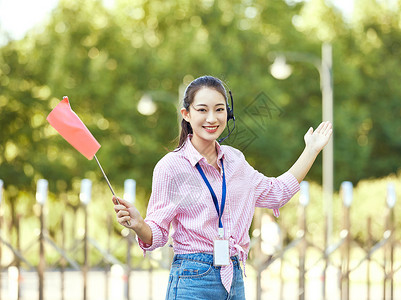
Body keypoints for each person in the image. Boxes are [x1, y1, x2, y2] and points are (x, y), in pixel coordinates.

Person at [113, 75, 332, 299]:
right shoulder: (171, 167)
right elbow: (157, 233)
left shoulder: (236, 161)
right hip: (193, 278)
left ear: (228, 113)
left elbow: (277, 193)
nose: (212, 118)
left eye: (219, 109)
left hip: (234, 277)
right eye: (202, 110)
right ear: (186, 114)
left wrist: (311, 150)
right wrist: (139, 224)